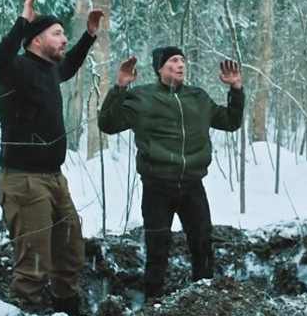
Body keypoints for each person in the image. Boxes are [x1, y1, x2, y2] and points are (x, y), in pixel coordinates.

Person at [0, 0, 105, 314]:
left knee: (70, 250)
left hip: (54, 178)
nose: (63, 39)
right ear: (35, 40)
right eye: (57, 34)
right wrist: (22, 21)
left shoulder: (50, 70)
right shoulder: (17, 70)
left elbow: (68, 67)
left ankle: (67, 311)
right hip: (24, 181)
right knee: (34, 261)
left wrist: (89, 36)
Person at [97, 46, 244, 299]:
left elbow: (231, 122)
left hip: (192, 186)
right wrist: (120, 87)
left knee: (203, 245)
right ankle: (153, 304)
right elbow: (108, 124)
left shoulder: (198, 97)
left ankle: (205, 299)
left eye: (182, 60)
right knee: (157, 250)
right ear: (159, 68)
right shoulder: (142, 98)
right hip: (157, 187)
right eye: (173, 60)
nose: (180, 65)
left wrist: (236, 89)